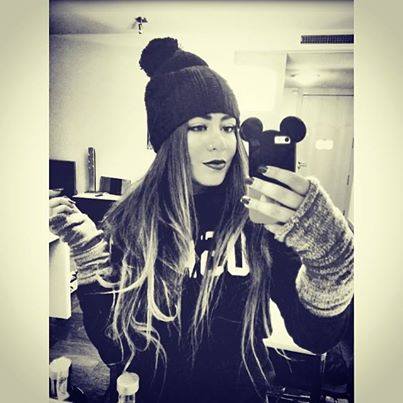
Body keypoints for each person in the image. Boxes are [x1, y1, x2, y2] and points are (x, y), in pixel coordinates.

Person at [49, 37, 353, 403]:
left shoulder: (258, 216)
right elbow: (115, 349)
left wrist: (331, 254)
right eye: (199, 127)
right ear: (169, 139)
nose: (219, 142)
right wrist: (90, 257)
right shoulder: (132, 221)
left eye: (228, 127)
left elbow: (316, 337)